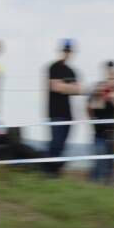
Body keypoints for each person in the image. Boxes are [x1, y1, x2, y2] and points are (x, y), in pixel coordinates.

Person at [87, 60, 114, 183]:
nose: (112, 80)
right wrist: (103, 95)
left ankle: (105, 186)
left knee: (111, 169)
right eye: (109, 76)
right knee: (99, 165)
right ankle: (94, 186)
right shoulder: (98, 89)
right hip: (100, 134)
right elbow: (92, 107)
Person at [45, 40, 81, 174]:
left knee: (62, 145)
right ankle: (48, 171)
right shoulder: (53, 67)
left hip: (68, 114)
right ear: (61, 51)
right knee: (56, 143)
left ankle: (54, 172)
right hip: (55, 112)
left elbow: (78, 90)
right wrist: (68, 87)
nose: (67, 53)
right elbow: (55, 87)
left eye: (69, 51)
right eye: (65, 50)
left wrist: (63, 86)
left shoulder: (71, 71)